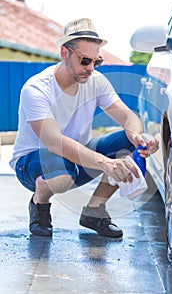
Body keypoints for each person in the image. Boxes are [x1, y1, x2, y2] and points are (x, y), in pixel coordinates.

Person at [9, 18, 159, 238]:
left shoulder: (96, 82)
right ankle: (39, 203)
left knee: (127, 143)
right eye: (85, 61)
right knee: (62, 174)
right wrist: (105, 162)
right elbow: (54, 142)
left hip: (76, 157)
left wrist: (137, 136)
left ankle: (94, 211)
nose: (90, 68)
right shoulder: (36, 89)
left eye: (96, 62)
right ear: (64, 53)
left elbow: (128, 116)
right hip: (33, 162)